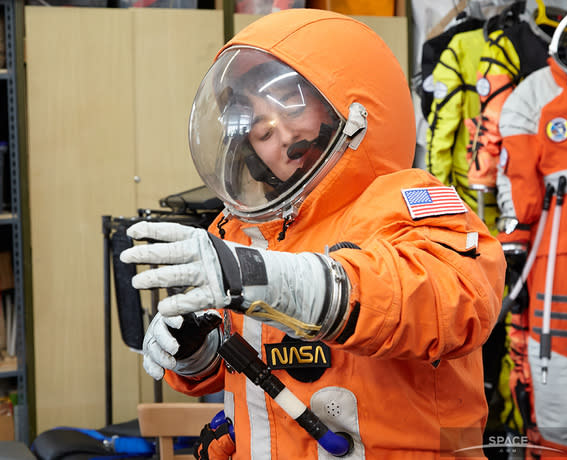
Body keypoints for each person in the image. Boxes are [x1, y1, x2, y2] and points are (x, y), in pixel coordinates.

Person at [120, 8, 506, 459]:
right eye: (260, 128)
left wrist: (300, 283)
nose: (278, 134)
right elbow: (233, 370)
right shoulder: (243, 234)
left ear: (350, 107)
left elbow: (457, 301)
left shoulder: (406, 201)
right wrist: (195, 349)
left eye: (290, 104)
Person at [496, 10, 567, 458]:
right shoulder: (532, 96)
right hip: (552, 256)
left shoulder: (529, 97)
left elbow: (522, 202)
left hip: (553, 257)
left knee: (551, 372)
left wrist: (513, 246)